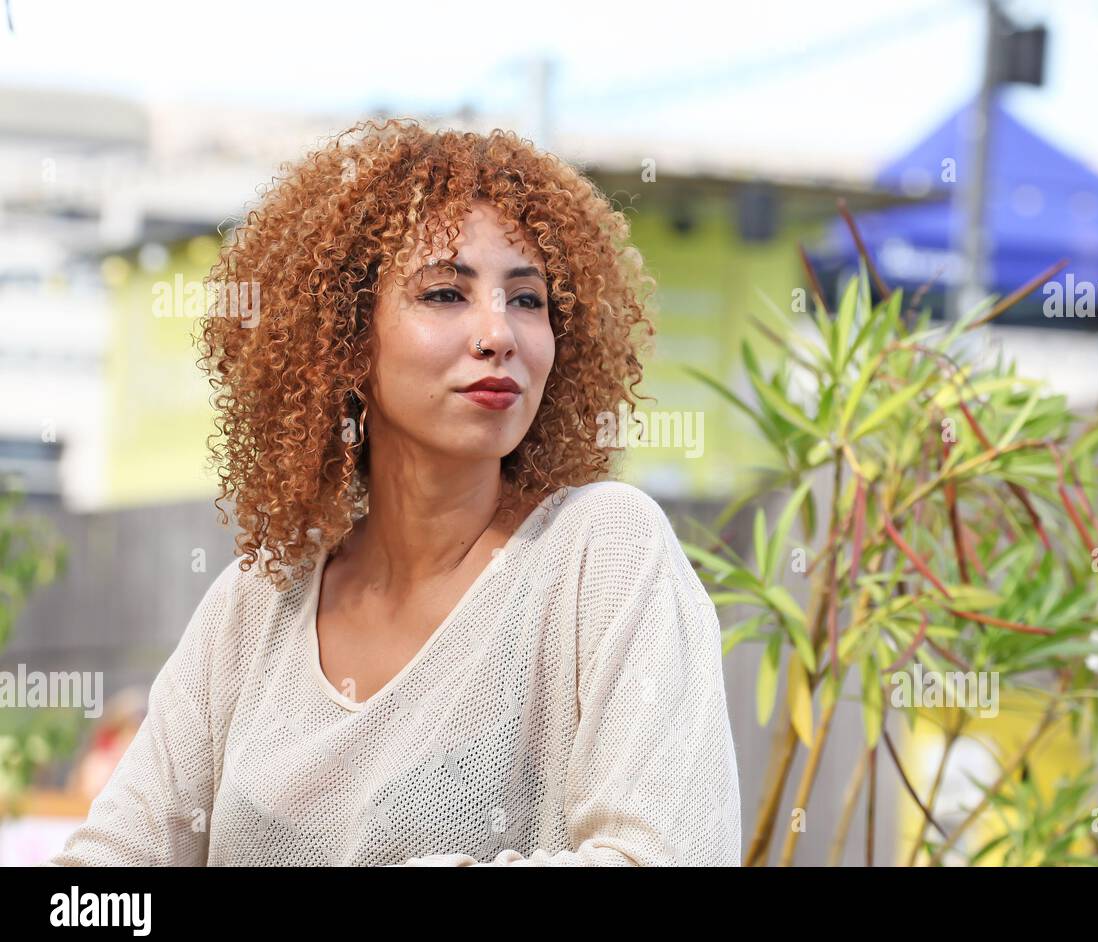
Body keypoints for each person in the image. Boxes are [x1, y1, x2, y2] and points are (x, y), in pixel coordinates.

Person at [47, 120, 742, 866]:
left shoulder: (602, 553)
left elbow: (665, 854)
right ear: (343, 340)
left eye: (528, 299)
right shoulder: (256, 607)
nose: (497, 333)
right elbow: (107, 869)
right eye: (446, 293)